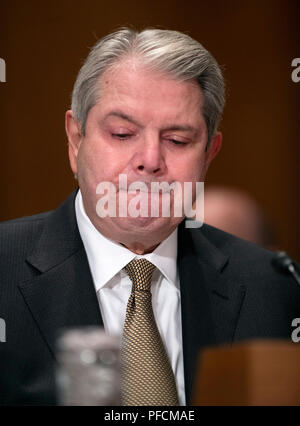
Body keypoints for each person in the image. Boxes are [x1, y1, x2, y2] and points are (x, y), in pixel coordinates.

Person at [0, 28, 299, 406]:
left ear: (209, 155)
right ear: (76, 140)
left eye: (177, 140)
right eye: (123, 133)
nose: (151, 160)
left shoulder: (274, 289)